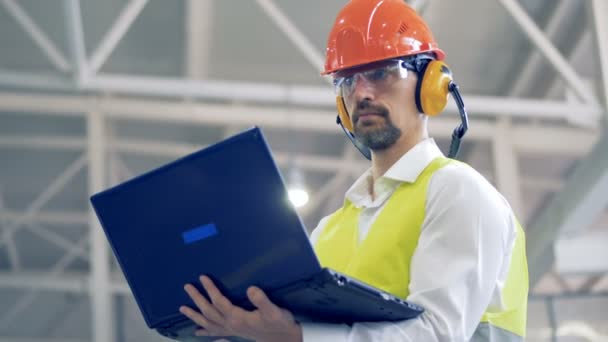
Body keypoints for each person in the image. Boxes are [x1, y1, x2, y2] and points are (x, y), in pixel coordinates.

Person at [178, 0, 529, 341]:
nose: (361, 93)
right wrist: (243, 328)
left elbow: (438, 334)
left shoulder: (457, 191)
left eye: (381, 73)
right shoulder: (326, 234)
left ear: (431, 84)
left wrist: (296, 338)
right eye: (347, 80)